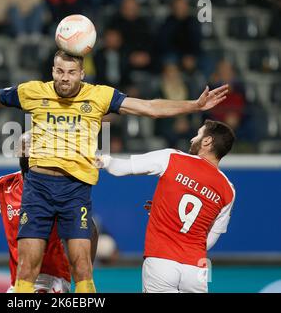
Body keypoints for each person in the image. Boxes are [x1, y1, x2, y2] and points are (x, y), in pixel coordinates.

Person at [0, 49, 229, 293]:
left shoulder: (99, 96)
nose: (65, 78)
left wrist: (193, 106)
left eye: (71, 72)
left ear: (82, 73)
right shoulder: (32, 92)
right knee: (27, 267)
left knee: (82, 267)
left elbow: (147, 107)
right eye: (59, 71)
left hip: (75, 189)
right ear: (52, 71)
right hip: (37, 188)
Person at [0, 134, 98, 292]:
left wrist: (83, 276)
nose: (25, 155)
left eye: (29, 150)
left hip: (50, 278)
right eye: (23, 151)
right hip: (19, 280)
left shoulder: (58, 187)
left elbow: (90, 229)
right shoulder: (5, 185)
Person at [97, 120, 236, 293]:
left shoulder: (172, 157)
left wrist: (101, 159)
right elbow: (210, 238)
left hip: (161, 260)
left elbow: (120, 168)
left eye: (198, 134)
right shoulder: (228, 189)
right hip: (197, 268)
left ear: (207, 141)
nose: (193, 139)